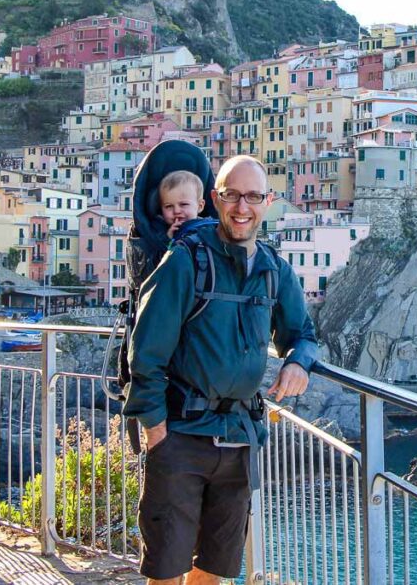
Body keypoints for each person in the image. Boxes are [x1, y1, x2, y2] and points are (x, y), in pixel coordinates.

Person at [124, 155, 316, 585]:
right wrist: (155, 429)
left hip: (240, 439)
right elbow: (146, 352)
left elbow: (302, 331)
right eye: (231, 195)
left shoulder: (274, 269)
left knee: (214, 571)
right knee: (167, 572)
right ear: (215, 199)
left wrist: (298, 361)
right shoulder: (183, 261)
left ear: (267, 202)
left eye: (252, 197)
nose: (241, 207)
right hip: (180, 436)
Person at [158, 169, 206, 239]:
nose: (176, 211)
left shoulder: (209, 229)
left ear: (200, 206)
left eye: (184, 204)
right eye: (169, 206)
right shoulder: (158, 233)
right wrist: (168, 239)